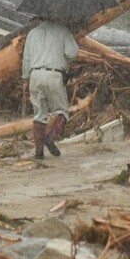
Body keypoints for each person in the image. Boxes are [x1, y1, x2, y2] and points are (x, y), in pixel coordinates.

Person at [21, 19, 79, 159]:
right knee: (62, 112)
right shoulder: (63, 30)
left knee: (39, 116)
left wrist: (25, 79)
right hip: (54, 75)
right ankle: (50, 137)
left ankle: (38, 153)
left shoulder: (32, 34)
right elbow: (73, 53)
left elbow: (26, 59)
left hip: (35, 74)